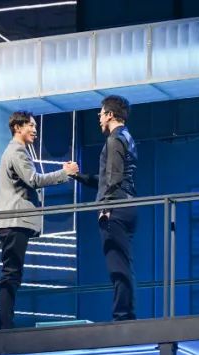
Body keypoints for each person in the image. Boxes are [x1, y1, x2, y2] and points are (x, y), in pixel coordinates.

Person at [0, 110, 79, 329]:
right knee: (11, 274)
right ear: (17, 127)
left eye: (35, 126)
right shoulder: (17, 151)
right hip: (14, 221)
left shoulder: (15, 151)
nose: (35, 130)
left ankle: (5, 324)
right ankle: (5, 326)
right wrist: (65, 173)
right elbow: (34, 180)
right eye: (30, 126)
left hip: (13, 222)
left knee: (12, 273)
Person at [74, 95, 138, 322]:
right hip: (128, 205)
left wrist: (106, 207)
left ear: (110, 115)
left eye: (101, 114)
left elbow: (113, 178)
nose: (99, 118)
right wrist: (78, 176)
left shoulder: (114, 139)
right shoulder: (127, 137)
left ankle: (122, 317)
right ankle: (125, 314)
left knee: (117, 266)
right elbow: (107, 178)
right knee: (123, 263)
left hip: (115, 208)